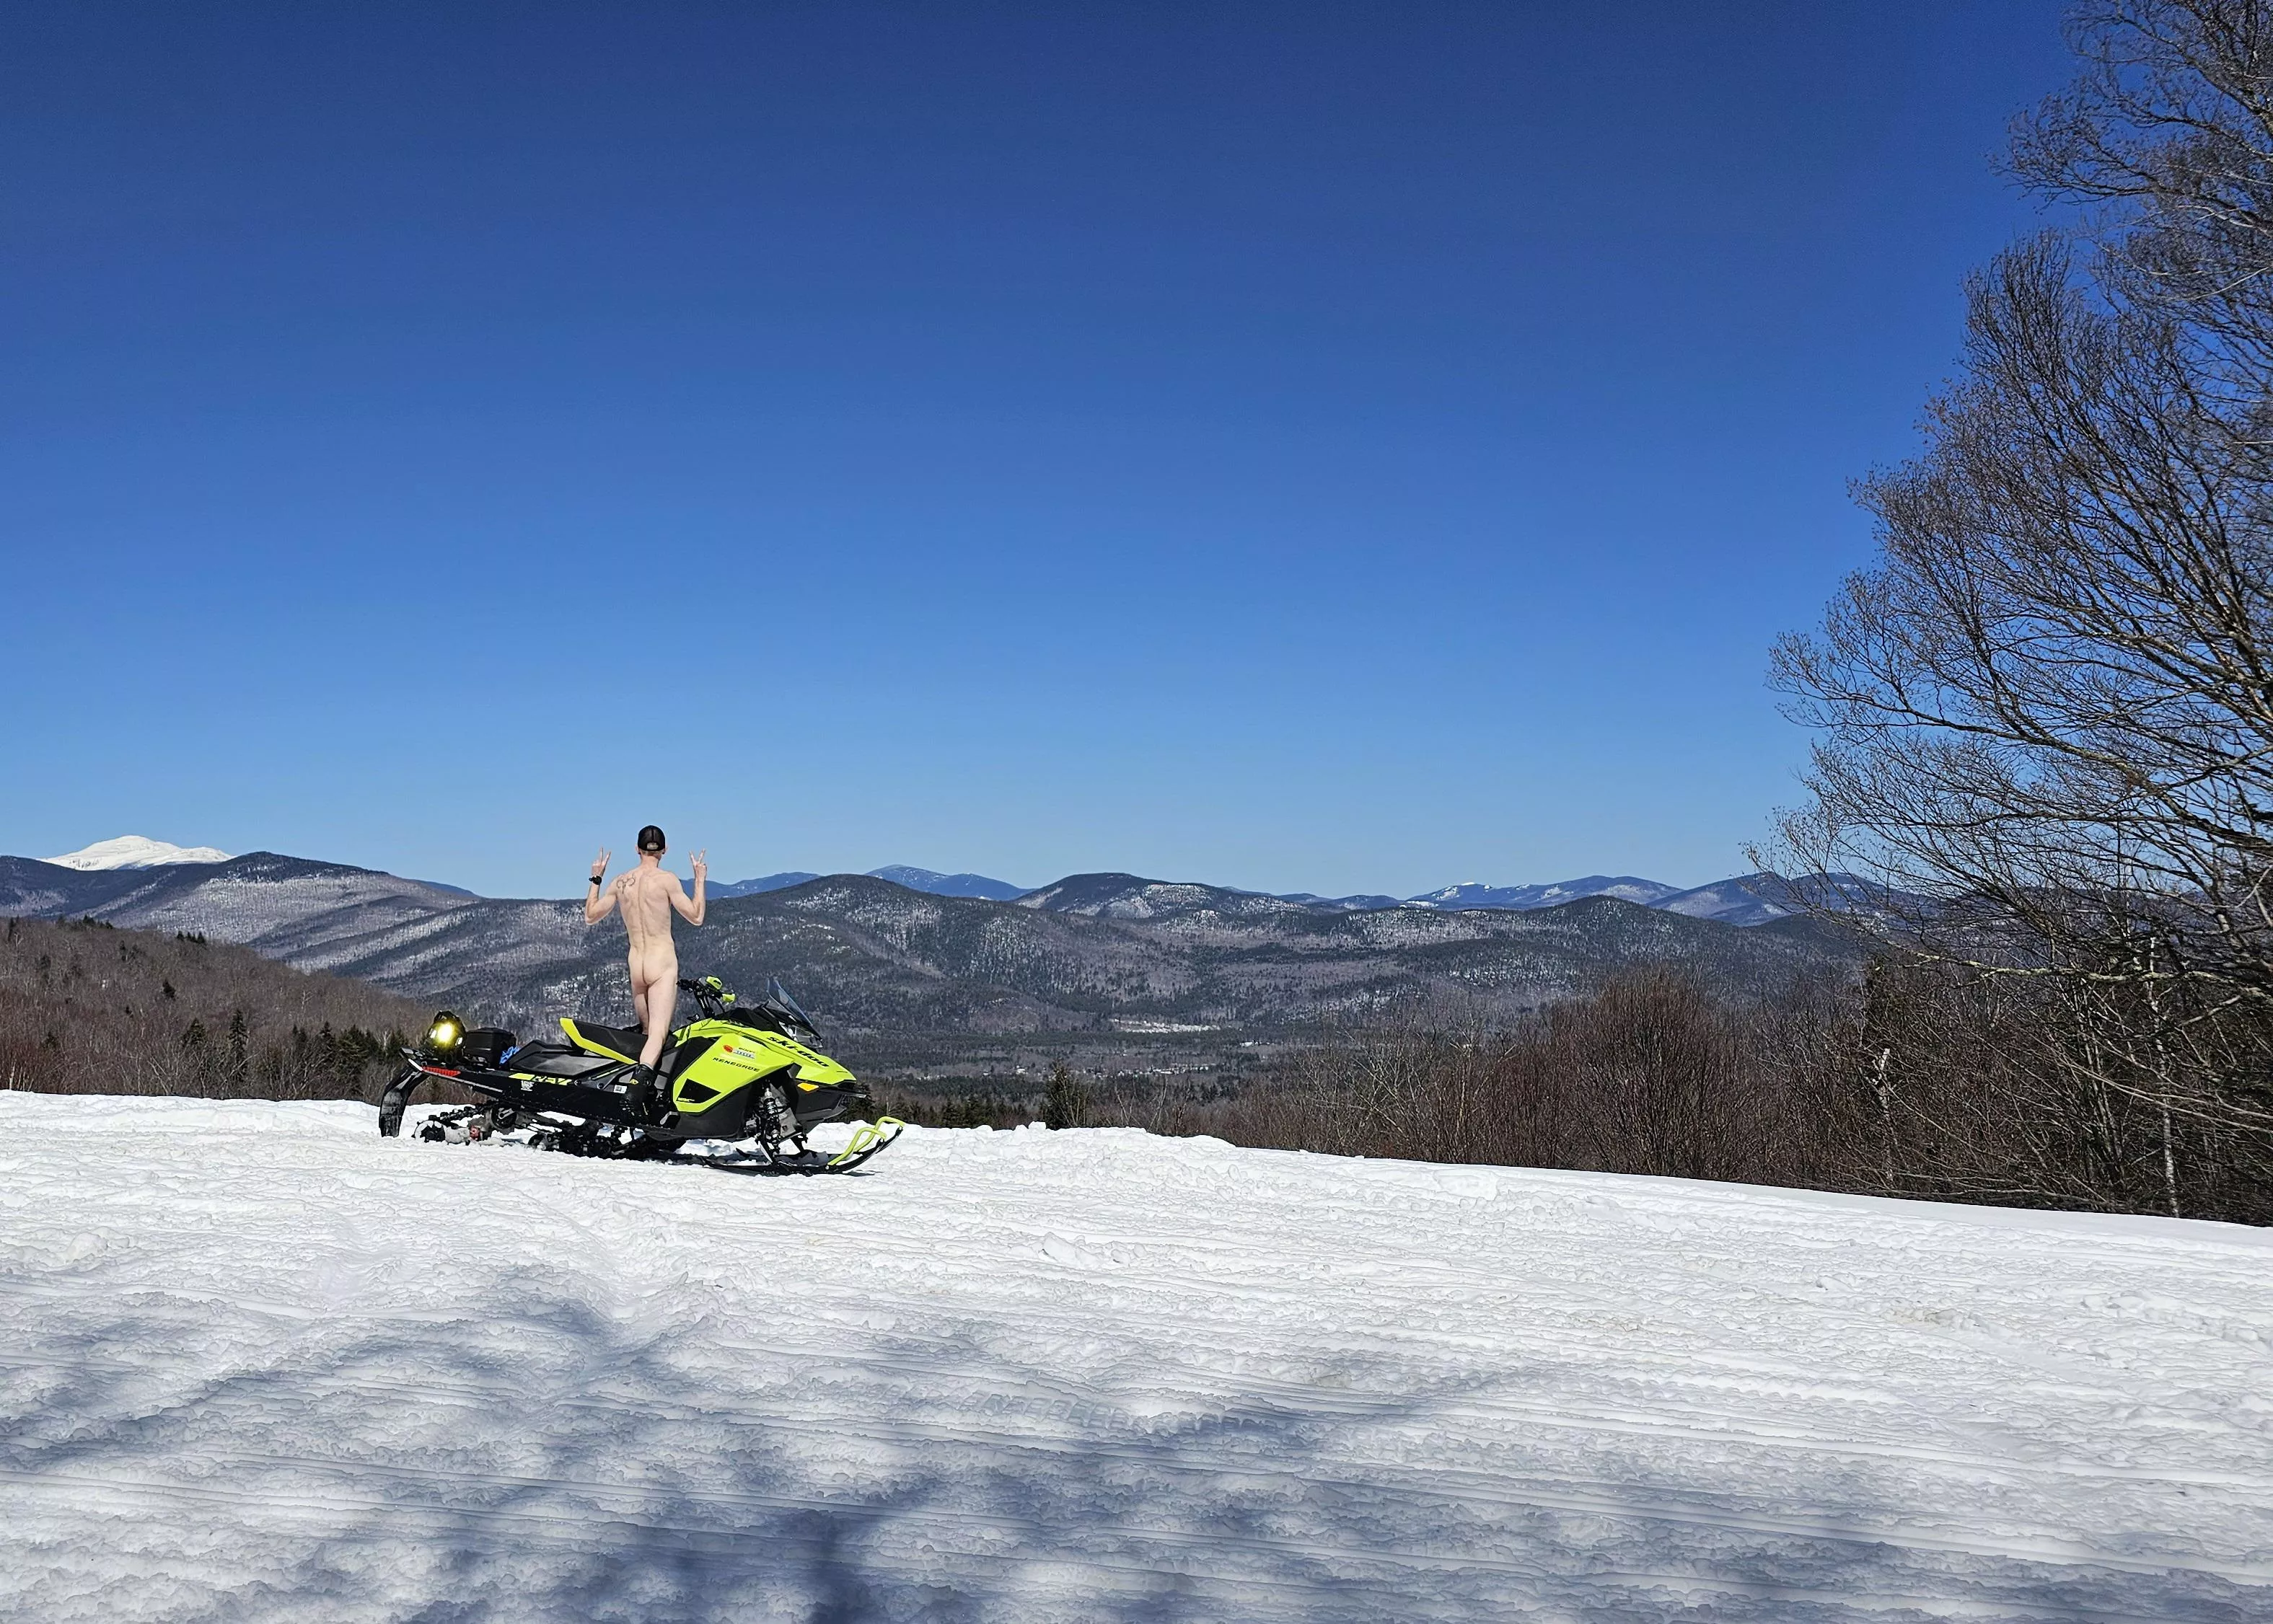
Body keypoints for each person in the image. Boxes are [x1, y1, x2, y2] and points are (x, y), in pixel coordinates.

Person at [584, 826, 707, 1096]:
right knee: (657, 1035)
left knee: (646, 1032)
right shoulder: (667, 880)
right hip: (661, 963)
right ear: (664, 850)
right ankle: (637, 1089)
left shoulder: (620, 882)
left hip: (637, 964)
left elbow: (591, 916)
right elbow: (696, 917)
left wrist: (597, 877)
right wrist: (699, 879)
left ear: (637, 849)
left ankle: (639, 1084)